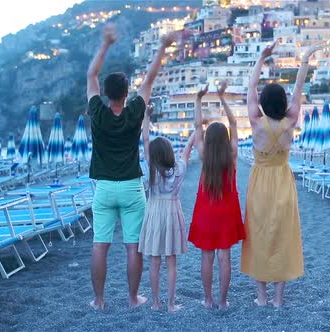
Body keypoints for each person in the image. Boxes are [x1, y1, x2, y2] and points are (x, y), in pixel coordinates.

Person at [86, 22, 180, 310]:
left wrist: (105, 44)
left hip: (103, 186)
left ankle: (99, 301)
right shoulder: (135, 111)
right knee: (132, 246)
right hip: (130, 186)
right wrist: (163, 47)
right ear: (127, 93)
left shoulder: (98, 112)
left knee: (100, 245)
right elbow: (150, 78)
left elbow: (91, 74)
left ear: (105, 93)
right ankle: (132, 297)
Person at [240, 41, 322, 308]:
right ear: (283, 102)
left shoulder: (256, 121)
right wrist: (305, 60)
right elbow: (299, 90)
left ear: (264, 103)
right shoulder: (291, 121)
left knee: (259, 235)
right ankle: (277, 299)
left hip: (260, 183)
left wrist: (261, 58)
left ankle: (261, 297)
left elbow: (251, 88)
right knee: (283, 237)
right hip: (283, 182)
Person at [188, 82, 245, 311]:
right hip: (227, 211)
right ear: (224, 139)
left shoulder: (203, 155)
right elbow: (232, 122)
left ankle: (208, 299)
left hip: (206, 209)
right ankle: (223, 301)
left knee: (207, 257)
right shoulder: (231, 154)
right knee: (224, 257)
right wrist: (222, 97)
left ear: (209, 141)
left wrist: (198, 100)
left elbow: (196, 128)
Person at [138, 104, 195, 313]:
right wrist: (197, 129)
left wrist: (146, 117)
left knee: (154, 260)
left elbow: (145, 140)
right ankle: (171, 304)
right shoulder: (178, 170)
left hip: (154, 213)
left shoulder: (151, 169)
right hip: (172, 214)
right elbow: (188, 148)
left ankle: (155, 302)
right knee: (171, 261)